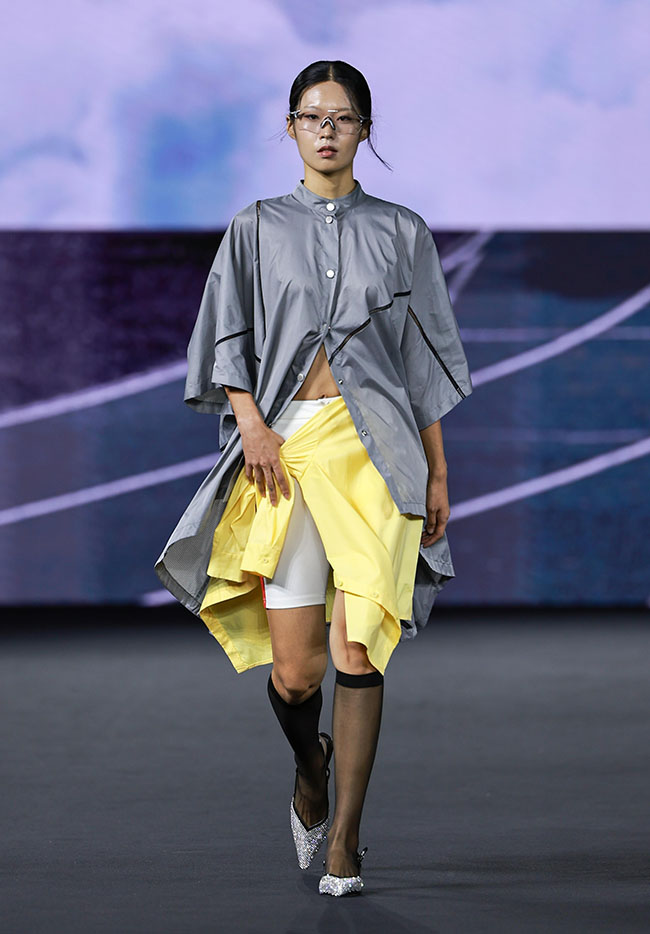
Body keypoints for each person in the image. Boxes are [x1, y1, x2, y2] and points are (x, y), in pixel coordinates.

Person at [154, 59, 473, 897]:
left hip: (378, 453)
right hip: (284, 452)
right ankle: (310, 768)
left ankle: (347, 843)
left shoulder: (402, 231)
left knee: (359, 645)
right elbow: (227, 337)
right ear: (291, 127)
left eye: (342, 116)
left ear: (365, 129)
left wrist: (439, 473)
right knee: (296, 675)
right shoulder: (255, 227)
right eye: (311, 115)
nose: (326, 129)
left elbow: (424, 360)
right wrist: (253, 425)